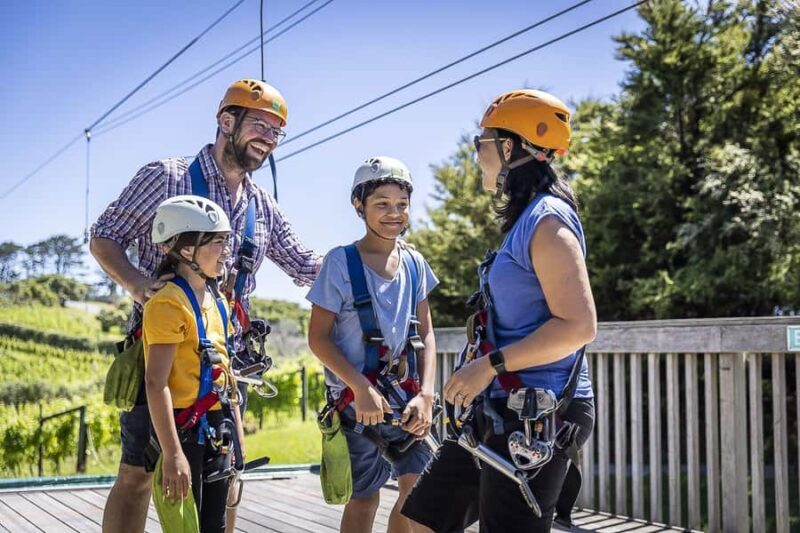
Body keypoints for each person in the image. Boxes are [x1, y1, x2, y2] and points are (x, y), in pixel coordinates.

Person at [91, 79, 320, 533]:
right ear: (225, 120)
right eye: (259, 124)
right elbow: (104, 236)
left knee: (226, 473)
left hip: (223, 363)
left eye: (277, 132)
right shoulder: (167, 176)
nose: (268, 138)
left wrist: (370, 258)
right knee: (138, 473)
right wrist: (139, 285)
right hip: (162, 355)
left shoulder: (260, 206)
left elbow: (304, 264)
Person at [401, 89, 597, 532]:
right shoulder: (528, 217)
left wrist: (489, 366)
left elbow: (579, 325)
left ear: (509, 147)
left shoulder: (548, 221)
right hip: (498, 407)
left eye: (480, 144)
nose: (477, 157)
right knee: (424, 519)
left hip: (536, 413)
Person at [307, 156, 438, 533]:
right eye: (382, 204)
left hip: (407, 401)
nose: (393, 213)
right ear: (359, 206)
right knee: (364, 497)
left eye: (402, 205)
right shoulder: (340, 263)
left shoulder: (414, 263)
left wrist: (427, 395)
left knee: (420, 496)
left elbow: (427, 333)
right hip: (356, 406)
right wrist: (359, 387)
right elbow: (318, 337)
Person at [144, 195, 241, 532]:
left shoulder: (216, 299)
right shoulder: (168, 304)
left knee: (214, 524)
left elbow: (226, 371)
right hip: (184, 432)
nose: (226, 250)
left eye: (227, 241)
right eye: (217, 241)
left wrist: (237, 435)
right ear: (187, 250)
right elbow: (156, 383)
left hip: (218, 424)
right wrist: (172, 454)